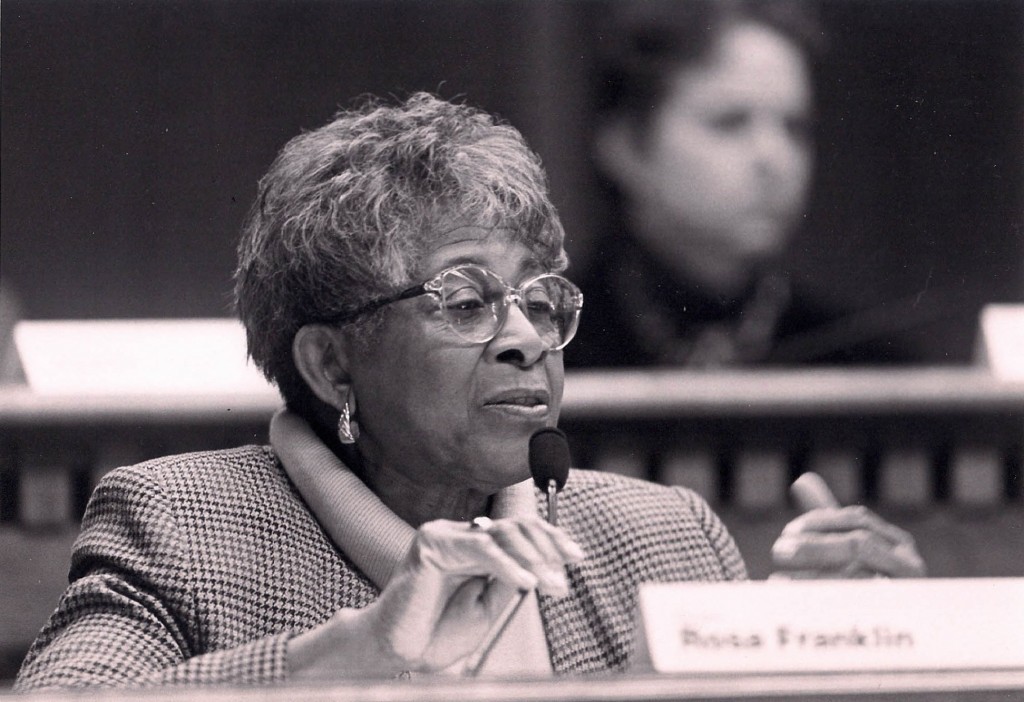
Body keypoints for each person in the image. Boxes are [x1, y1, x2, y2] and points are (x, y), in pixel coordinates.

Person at [15, 93, 923, 691]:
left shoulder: (663, 536)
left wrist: (810, 644)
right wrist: (347, 661)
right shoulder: (185, 526)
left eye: (539, 299)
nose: (526, 339)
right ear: (333, 365)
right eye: (465, 301)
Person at [568, 0, 917, 368]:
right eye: (729, 122)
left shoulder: (865, 363)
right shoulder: (553, 351)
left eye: (794, 127)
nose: (774, 158)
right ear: (625, 147)